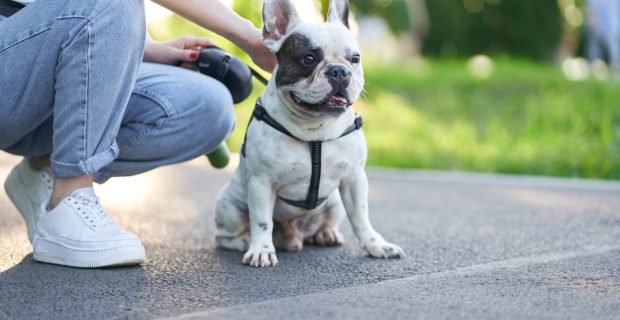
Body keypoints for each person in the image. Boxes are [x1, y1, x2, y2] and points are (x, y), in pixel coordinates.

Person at [0, 0, 276, 268]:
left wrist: (143, 44)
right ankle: (69, 199)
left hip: (42, 49)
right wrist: (251, 38)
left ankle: (45, 165)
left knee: (209, 105)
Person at [586, 0, 620, 79]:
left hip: (613, 26)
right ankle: (592, 71)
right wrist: (592, 20)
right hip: (598, 24)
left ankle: (616, 70)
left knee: (613, 47)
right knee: (594, 49)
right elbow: (591, 8)